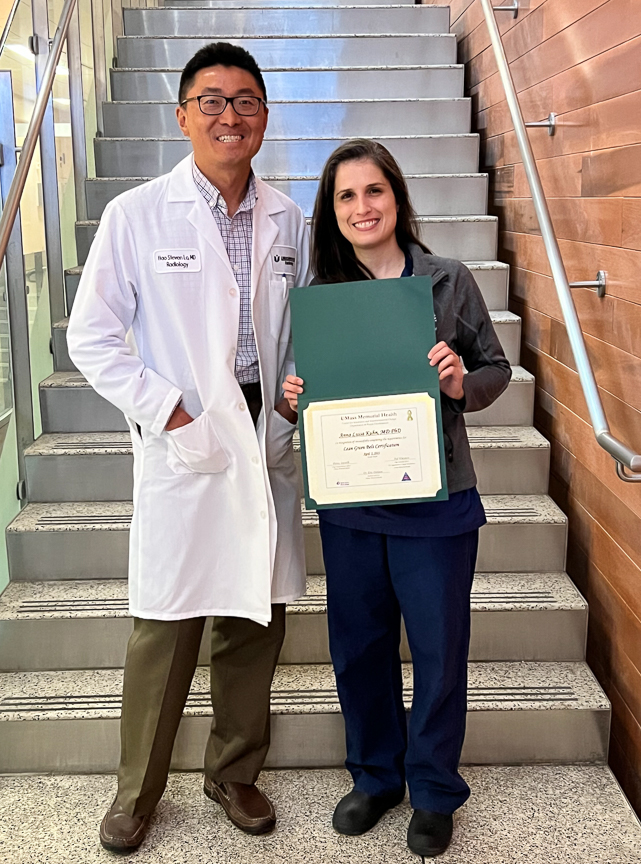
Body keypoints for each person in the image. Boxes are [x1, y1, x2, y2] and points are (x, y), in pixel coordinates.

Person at [68, 42, 309, 853]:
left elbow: (303, 326)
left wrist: (295, 395)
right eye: (211, 100)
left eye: (245, 100)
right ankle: (136, 792)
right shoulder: (137, 214)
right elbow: (91, 337)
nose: (229, 115)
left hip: (264, 435)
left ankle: (233, 772)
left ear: (265, 117)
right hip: (187, 435)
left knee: (255, 616)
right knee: (165, 623)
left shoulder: (289, 218)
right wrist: (166, 412)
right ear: (182, 115)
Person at [282, 139, 512, 858]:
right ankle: (376, 777)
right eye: (346, 197)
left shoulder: (447, 279)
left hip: (435, 500)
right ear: (333, 211)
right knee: (359, 646)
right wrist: (297, 403)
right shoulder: (321, 296)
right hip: (353, 500)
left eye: (373, 191)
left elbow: (495, 368)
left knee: (440, 651)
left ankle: (435, 790)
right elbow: (316, 397)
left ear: (397, 197)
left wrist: (457, 384)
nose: (362, 207)